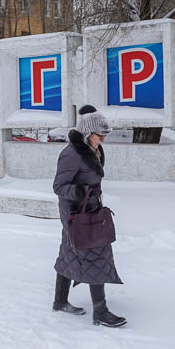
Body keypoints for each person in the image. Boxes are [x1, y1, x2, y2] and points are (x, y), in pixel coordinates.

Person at [52, 105, 127, 327]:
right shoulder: (71, 154)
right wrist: (80, 192)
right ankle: (100, 312)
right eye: (100, 135)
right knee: (97, 254)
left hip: (89, 208)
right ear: (87, 134)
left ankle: (60, 301)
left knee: (69, 253)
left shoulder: (93, 150)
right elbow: (58, 186)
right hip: (75, 213)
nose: (103, 140)